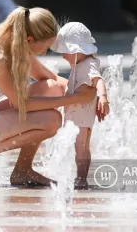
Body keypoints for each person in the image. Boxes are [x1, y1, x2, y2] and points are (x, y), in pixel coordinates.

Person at [0, 7, 97, 187]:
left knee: (50, 88)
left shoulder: (14, 42)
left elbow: (52, 80)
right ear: (30, 39)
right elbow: (22, 104)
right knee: (52, 120)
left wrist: (89, 90)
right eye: (45, 47)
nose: (44, 53)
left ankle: (23, 171)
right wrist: (75, 99)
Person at [50, 22, 110, 189]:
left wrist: (103, 96)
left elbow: (98, 80)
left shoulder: (89, 64)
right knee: (81, 146)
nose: (63, 57)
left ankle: (81, 178)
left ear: (76, 50)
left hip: (82, 114)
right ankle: (79, 176)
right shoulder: (81, 63)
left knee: (81, 147)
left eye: (65, 52)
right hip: (79, 112)